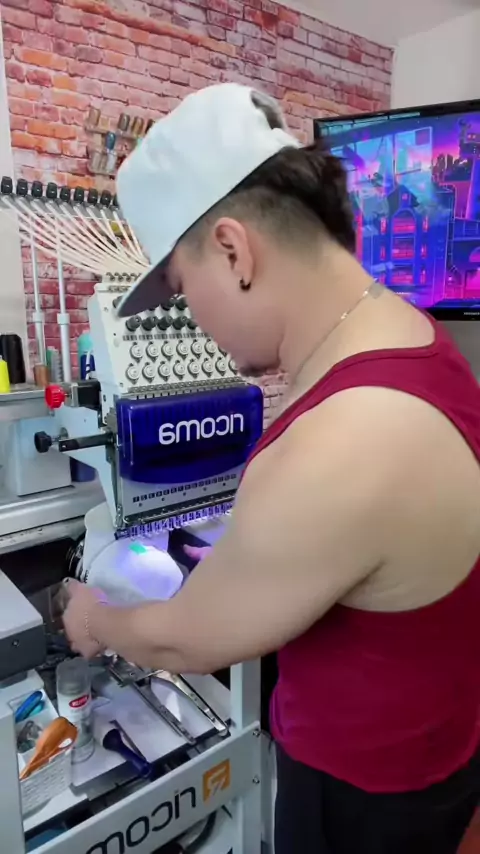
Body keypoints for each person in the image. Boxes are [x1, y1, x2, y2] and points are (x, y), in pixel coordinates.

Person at [62, 83, 480, 853]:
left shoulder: (348, 435)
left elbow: (187, 641)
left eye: (183, 290)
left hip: (366, 801)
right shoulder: (406, 334)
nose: (194, 320)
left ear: (234, 251)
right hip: (426, 756)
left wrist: (93, 620)